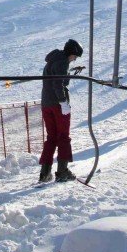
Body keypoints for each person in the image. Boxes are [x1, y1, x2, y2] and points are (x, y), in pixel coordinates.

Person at [38, 38, 83, 183]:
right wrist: (63, 102)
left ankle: (45, 173)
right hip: (58, 105)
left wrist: (68, 74)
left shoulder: (52, 60)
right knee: (63, 137)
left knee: (51, 137)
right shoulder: (63, 62)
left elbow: (56, 80)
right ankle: (62, 171)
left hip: (46, 103)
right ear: (72, 53)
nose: (74, 60)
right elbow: (58, 84)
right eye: (75, 57)